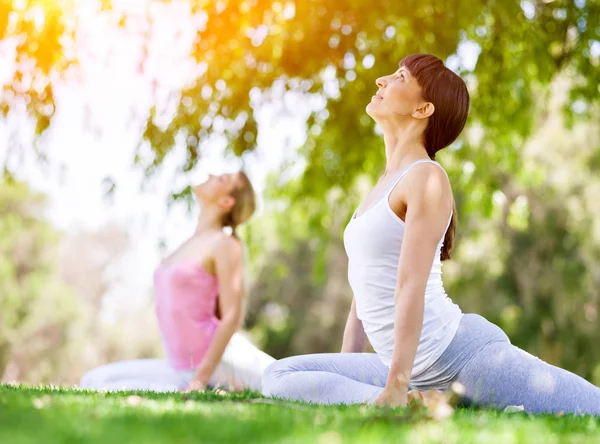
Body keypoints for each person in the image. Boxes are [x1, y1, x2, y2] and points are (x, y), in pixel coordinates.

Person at [261, 54, 600, 415]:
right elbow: (363, 295)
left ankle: (403, 396)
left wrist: (395, 382)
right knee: (278, 375)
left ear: (423, 108)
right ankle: (406, 401)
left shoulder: (426, 177)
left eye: (399, 77)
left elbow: (410, 284)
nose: (382, 80)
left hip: (462, 359)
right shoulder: (380, 186)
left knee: (591, 407)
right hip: (407, 369)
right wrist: (350, 373)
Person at [80, 171, 274, 392]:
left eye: (221, 179)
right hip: (179, 367)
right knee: (94, 380)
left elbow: (232, 317)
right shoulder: (187, 244)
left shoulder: (224, 244)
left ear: (226, 201)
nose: (211, 174)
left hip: (223, 361)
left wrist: (200, 380)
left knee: (292, 384)